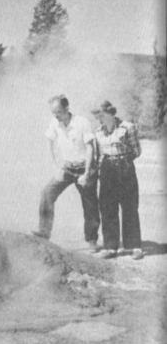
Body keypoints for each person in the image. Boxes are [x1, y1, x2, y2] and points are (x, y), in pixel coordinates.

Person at [32, 95, 100, 250]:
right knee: (47, 193)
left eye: (59, 112)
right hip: (67, 167)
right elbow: (50, 143)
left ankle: (92, 240)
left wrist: (87, 173)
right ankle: (44, 232)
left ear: (67, 108)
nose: (56, 115)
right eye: (53, 112)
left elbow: (91, 148)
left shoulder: (82, 122)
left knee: (90, 204)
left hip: (85, 167)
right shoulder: (54, 123)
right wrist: (57, 166)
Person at [92, 100, 143, 260]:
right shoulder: (98, 131)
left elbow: (136, 151)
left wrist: (121, 161)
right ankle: (110, 247)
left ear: (110, 113)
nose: (99, 119)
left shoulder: (128, 127)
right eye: (97, 117)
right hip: (106, 170)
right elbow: (98, 154)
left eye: (101, 116)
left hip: (125, 167)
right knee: (107, 207)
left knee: (129, 206)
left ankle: (134, 246)